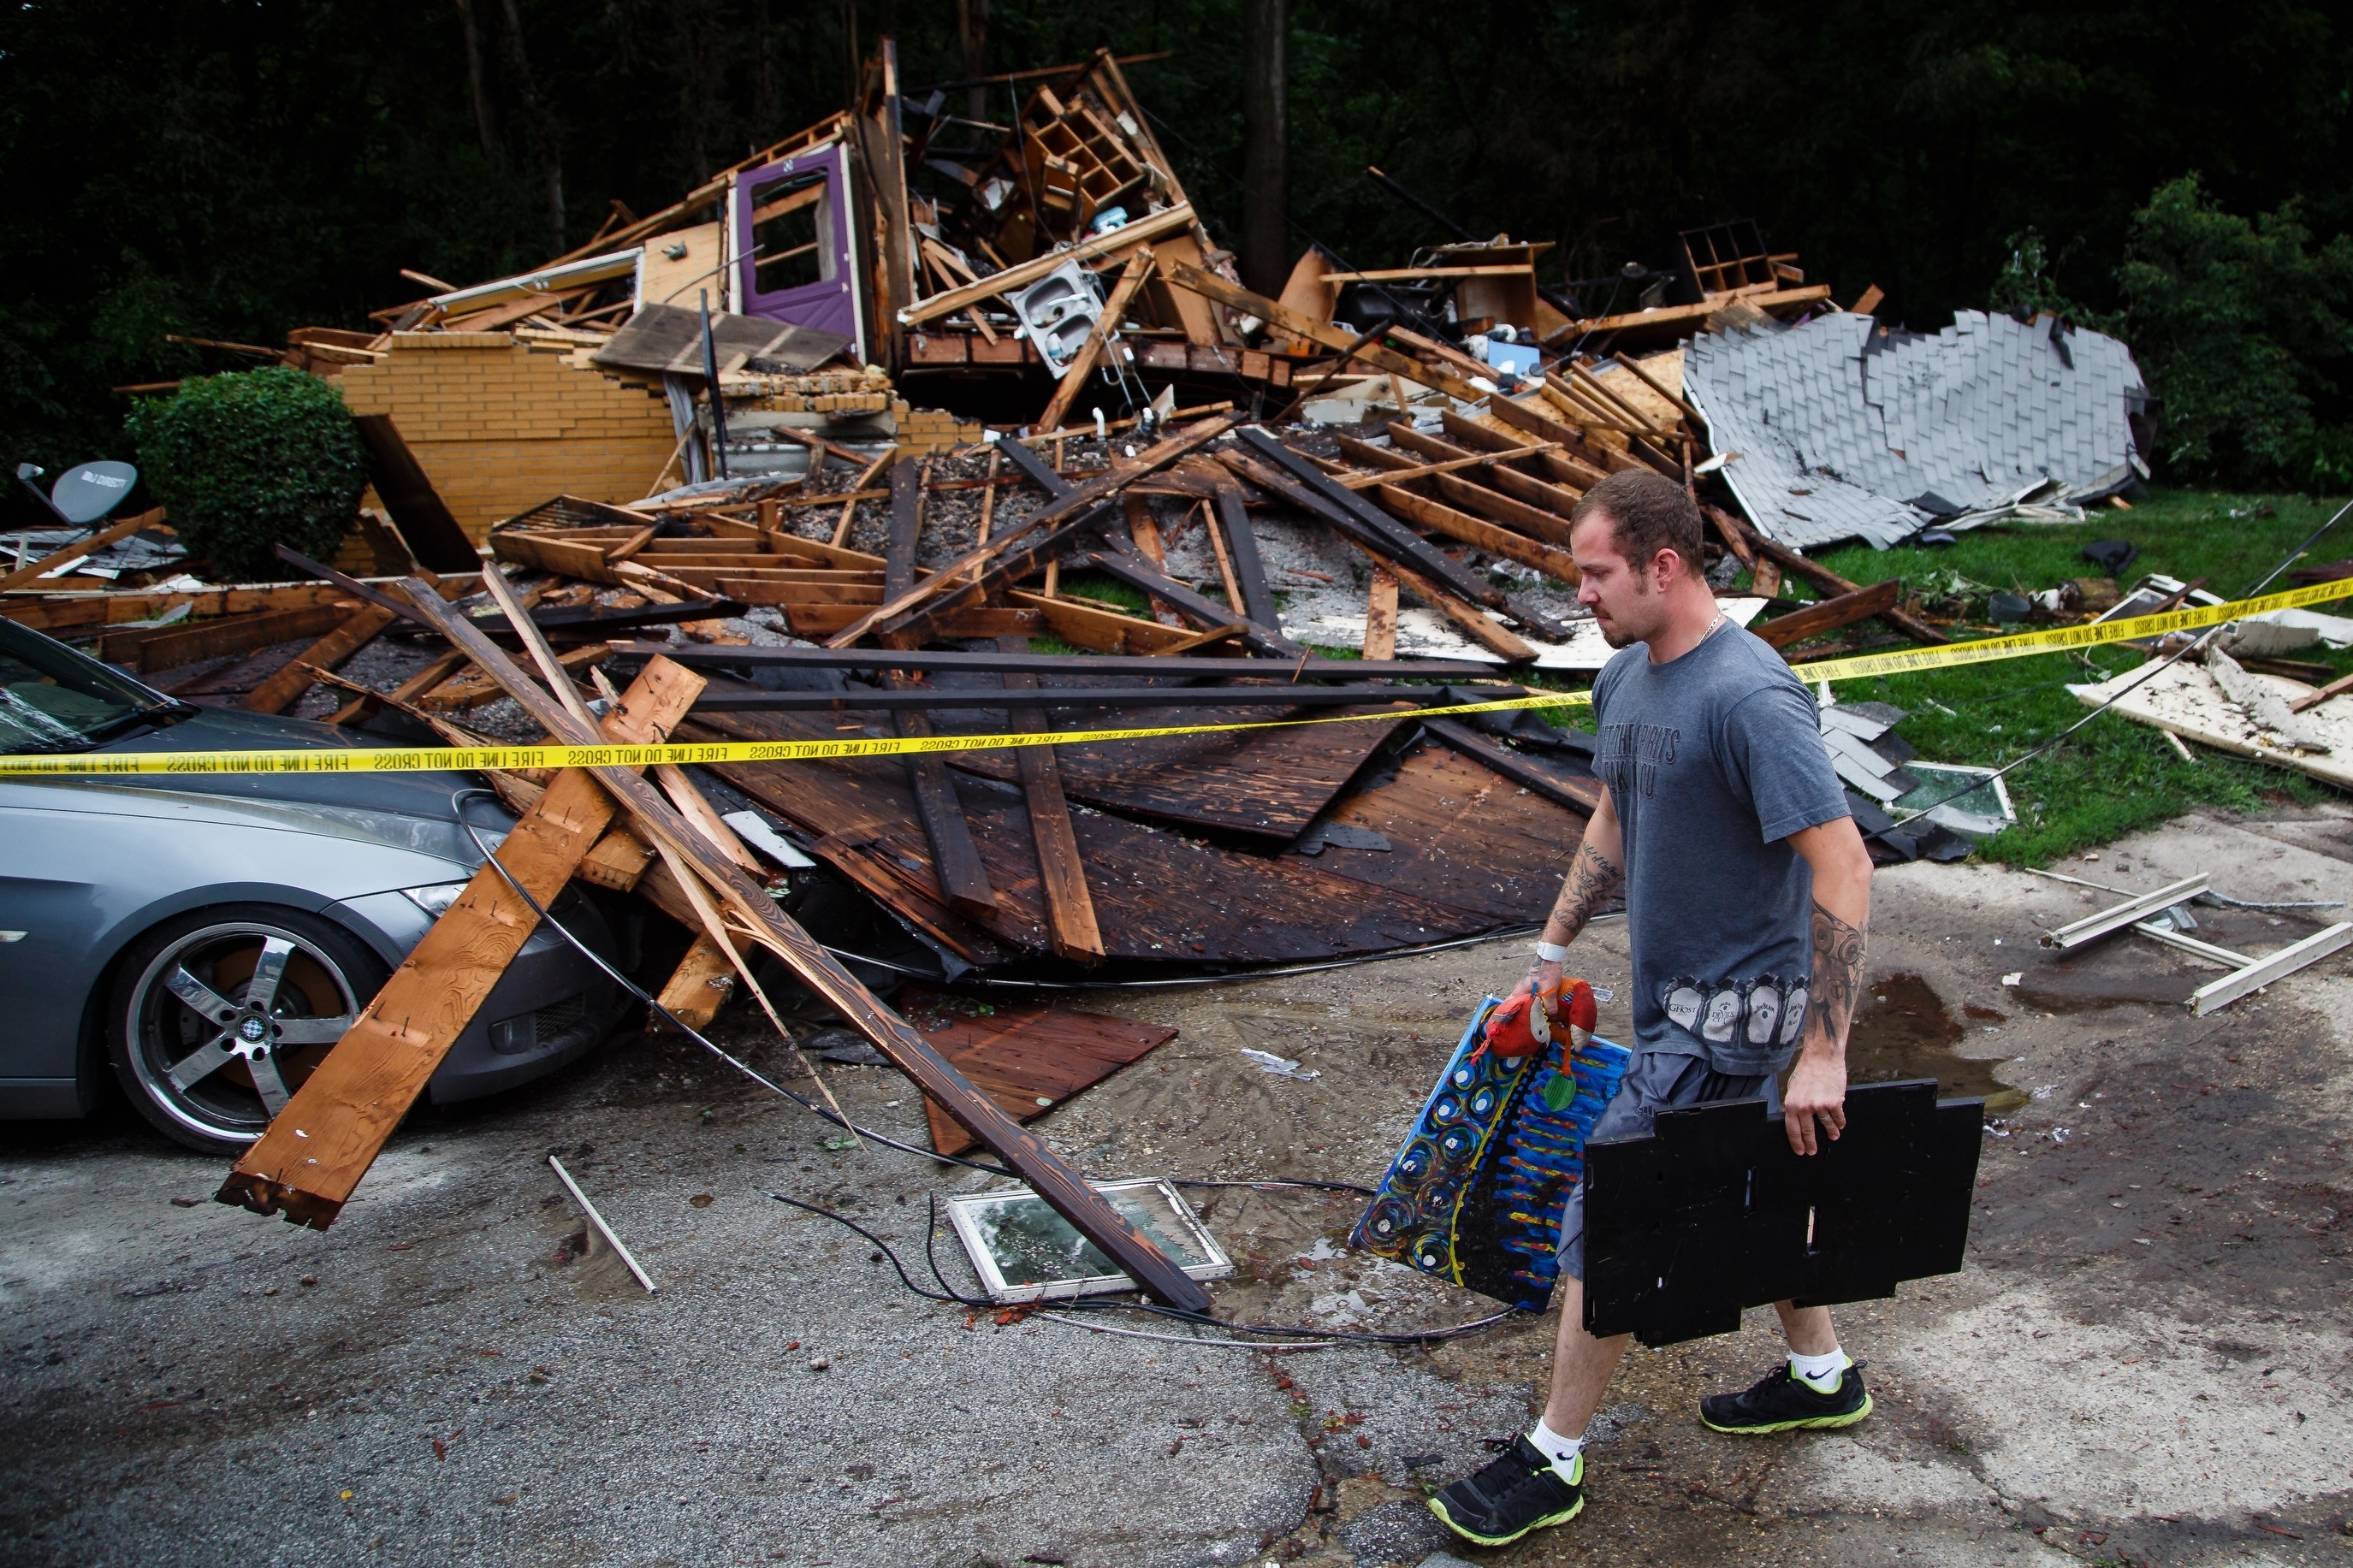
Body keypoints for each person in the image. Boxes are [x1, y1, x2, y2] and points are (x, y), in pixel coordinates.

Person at [1429, 470, 1876, 1548]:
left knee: (1612, 1215)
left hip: (1736, 1018)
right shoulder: (1624, 678)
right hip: (1673, 1007)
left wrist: (1822, 1053)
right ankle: (1821, 1374)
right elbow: (1615, 814)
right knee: (1751, 1188)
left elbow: (1845, 865)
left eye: (1595, 574)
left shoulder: (1748, 697)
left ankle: (1552, 1457)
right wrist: (1550, 954)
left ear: (1661, 566)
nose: (1579, 595)